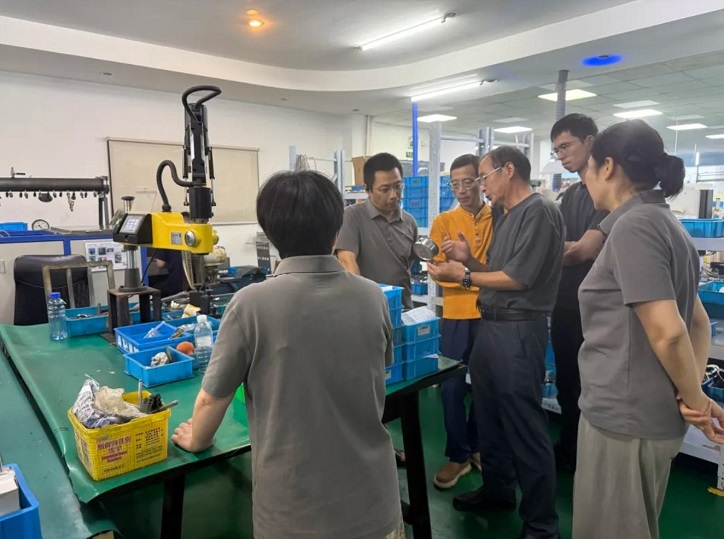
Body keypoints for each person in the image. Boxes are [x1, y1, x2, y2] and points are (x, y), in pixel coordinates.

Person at [171, 170, 403, 539]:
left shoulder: (249, 304)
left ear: (271, 233)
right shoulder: (373, 295)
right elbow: (378, 370)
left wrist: (197, 438)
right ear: (336, 229)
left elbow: (213, 398)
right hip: (376, 505)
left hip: (294, 514)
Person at [573, 119, 724, 539]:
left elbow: (669, 332)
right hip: (645, 416)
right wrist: (691, 394)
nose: (584, 178)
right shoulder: (666, 223)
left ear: (607, 166)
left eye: (587, 168)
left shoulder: (634, 227)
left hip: (625, 420)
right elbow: (697, 322)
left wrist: (696, 400)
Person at [428, 146, 563, 539]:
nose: (481, 186)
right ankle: (497, 490)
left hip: (518, 330)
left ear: (508, 170)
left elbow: (518, 279)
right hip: (491, 326)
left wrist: (464, 276)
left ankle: (541, 524)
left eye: (484, 177)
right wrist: (469, 261)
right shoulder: (506, 214)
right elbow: (499, 272)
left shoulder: (539, 212)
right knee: (489, 417)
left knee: (524, 425)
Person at [428, 154, 494, 489]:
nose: (462, 190)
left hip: (490, 315)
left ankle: (477, 446)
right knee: (451, 388)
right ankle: (458, 455)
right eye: (455, 184)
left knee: (486, 387)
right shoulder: (444, 221)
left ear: (481, 181)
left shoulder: (499, 218)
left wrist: (463, 273)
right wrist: (476, 277)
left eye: (468, 182)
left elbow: (504, 270)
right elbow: (438, 272)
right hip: (455, 316)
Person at [549, 113, 607, 472]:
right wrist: (567, 249)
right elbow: (564, 245)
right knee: (567, 382)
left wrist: (559, 251)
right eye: (556, 150)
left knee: (592, 387)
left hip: (597, 311)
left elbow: (586, 250)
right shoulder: (570, 195)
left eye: (566, 146)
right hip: (565, 304)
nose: (561, 155)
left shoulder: (606, 194)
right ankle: (570, 450)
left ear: (590, 142)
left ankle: (590, 459)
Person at [337, 152, 418, 309]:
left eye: (398, 187)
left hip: (402, 307)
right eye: (385, 189)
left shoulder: (409, 222)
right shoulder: (352, 216)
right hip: (367, 309)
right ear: (367, 189)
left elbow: (407, 263)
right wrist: (365, 302)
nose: (393, 195)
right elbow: (347, 261)